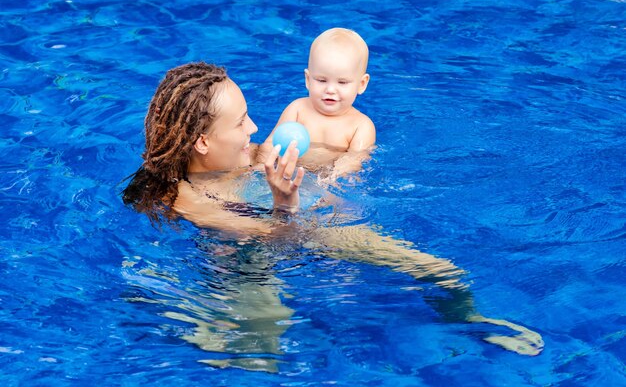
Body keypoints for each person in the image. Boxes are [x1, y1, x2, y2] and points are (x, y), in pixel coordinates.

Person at [122, 62, 543, 363]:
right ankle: (200, 323)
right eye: (241, 122)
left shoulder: (248, 155)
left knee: (441, 271)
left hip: (313, 228)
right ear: (201, 142)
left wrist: (342, 161)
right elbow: (282, 240)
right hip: (244, 260)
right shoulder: (189, 200)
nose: (253, 127)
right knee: (264, 348)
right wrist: (285, 203)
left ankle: (471, 321)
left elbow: (315, 165)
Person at [258, 28, 376, 178]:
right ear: (308, 79)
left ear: (362, 84)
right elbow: (271, 144)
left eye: (342, 82)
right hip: (287, 173)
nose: (330, 89)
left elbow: (353, 163)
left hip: (326, 182)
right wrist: (260, 167)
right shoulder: (297, 109)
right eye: (321, 80)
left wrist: (331, 182)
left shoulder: (361, 126)